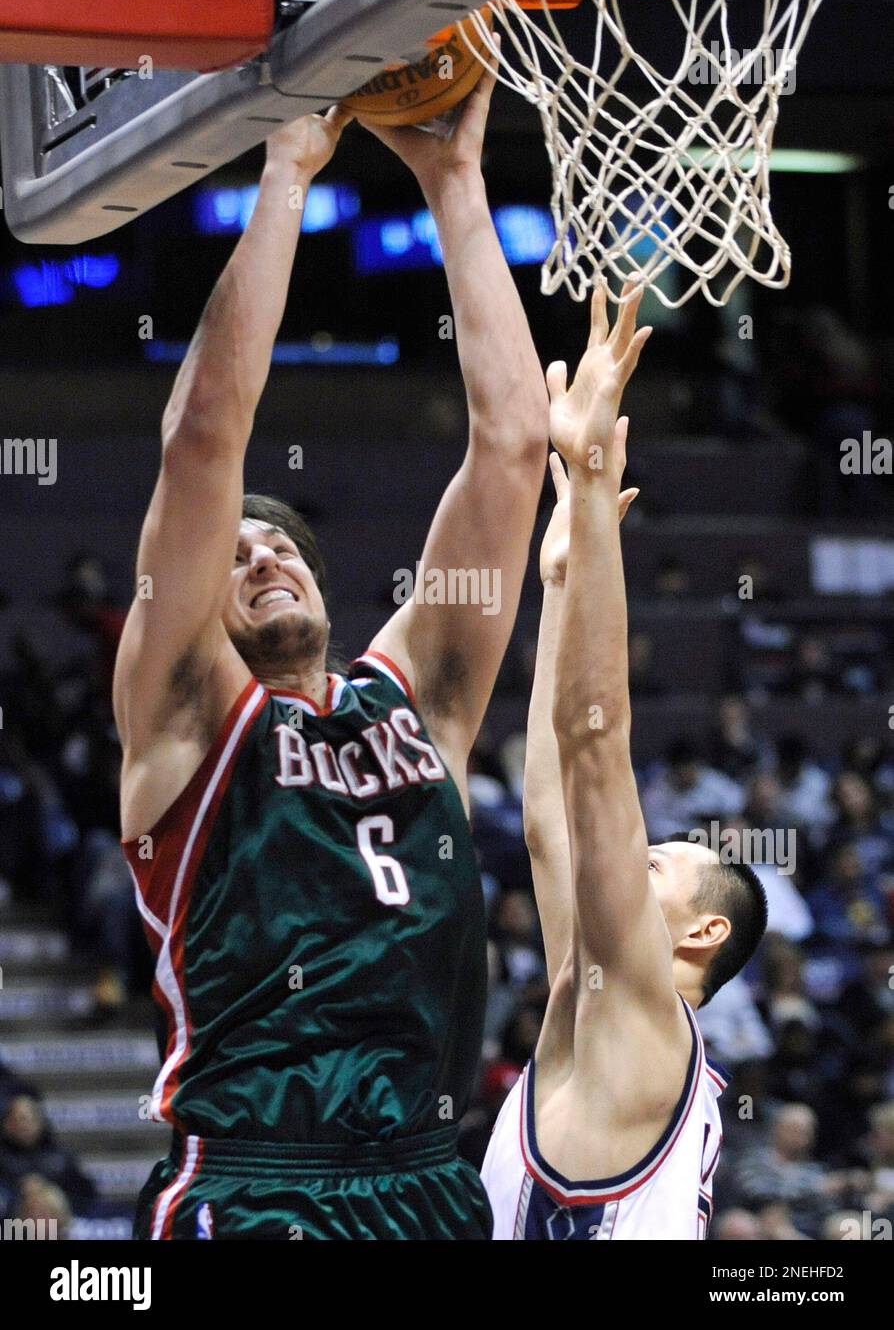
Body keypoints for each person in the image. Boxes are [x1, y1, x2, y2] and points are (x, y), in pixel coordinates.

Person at [114, 68, 548, 1240]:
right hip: (257, 1182)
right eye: (237, 552)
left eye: (282, 544)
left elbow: (514, 448)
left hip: (427, 1177)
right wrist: (288, 170)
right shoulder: (189, 716)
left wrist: (457, 183)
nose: (260, 556)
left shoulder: (422, 698)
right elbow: (205, 433)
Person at [481, 287, 768, 1239]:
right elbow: (549, 817)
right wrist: (560, 583)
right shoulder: (594, 1005)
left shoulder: (648, 1026)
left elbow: (597, 746)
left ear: (700, 936)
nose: (622, 861)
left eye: (654, 867)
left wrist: (595, 474)